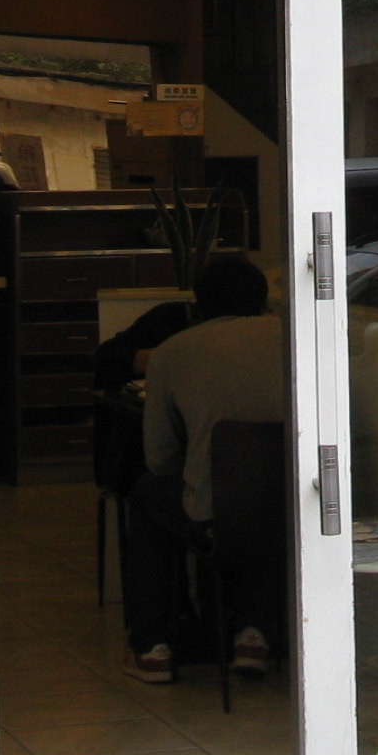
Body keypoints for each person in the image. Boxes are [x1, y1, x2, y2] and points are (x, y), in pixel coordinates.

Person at [122, 254, 286, 685]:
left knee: (148, 495)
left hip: (215, 513)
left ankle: (153, 646)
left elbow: (159, 458)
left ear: (198, 303)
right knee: (262, 507)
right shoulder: (296, 337)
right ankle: (253, 633)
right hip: (297, 506)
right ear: (262, 299)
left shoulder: (173, 351)